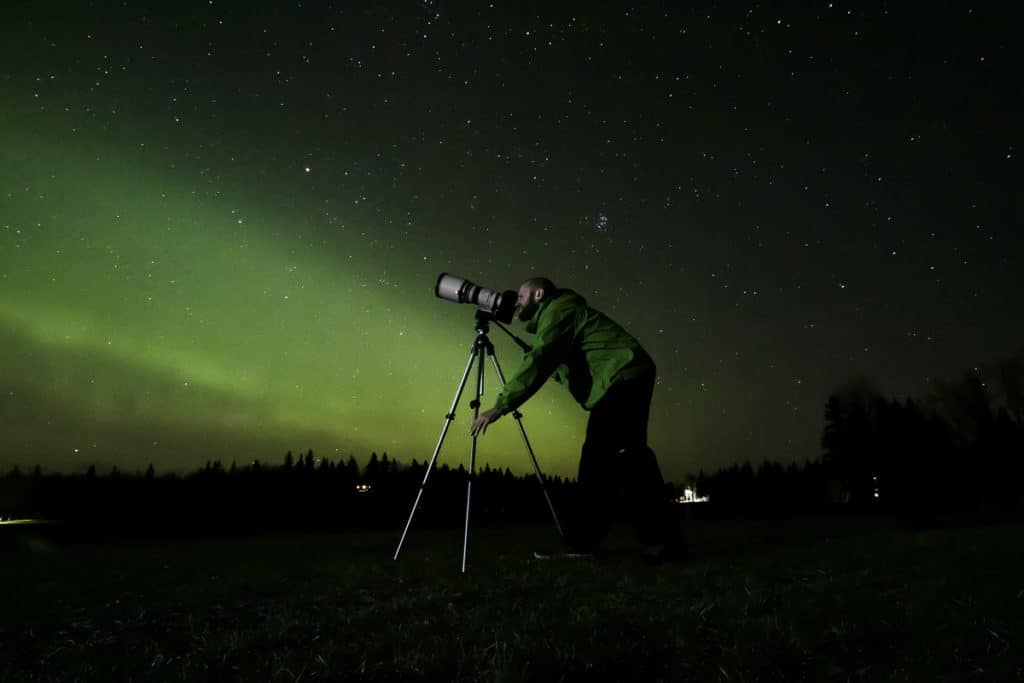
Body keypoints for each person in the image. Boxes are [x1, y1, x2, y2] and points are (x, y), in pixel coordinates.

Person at [469, 277, 686, 562]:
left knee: (627, 456)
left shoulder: (559, 311)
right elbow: (558, 366)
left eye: (522, 295)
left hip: (623, 376)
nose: (516, 300)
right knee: (599, 463)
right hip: (620, 379)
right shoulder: (558, 317)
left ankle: (659, 542)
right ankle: (584, 543)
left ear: (539, 294)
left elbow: (540, 361)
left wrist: (499, 406)